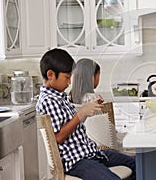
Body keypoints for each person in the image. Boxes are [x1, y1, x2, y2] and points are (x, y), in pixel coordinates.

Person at [36, 48, 135, 180]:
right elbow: (58, 137)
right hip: (76, 160)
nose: (69, 82)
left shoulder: (60, 97)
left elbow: (71, 125)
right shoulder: (49, 101)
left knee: (138, 164)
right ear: (50, 75)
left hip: (90, 152)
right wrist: (81, 113)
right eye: (66, 77)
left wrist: (87, 111)